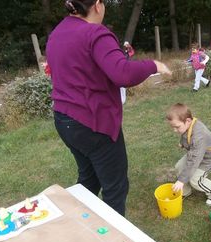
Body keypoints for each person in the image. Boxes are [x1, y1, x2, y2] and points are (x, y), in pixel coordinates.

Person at [46, 0, 171, 217]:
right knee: (115, 188)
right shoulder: (96, 34)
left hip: (64, 120)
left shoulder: (57, 33)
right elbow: (122, 73)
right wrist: (153, 65)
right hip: (94, 123)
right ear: (97, 4)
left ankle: (79, 226)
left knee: (89, 178)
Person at [166, 103, 211, 206]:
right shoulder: (188, 124)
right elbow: (186, 134)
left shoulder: (198, 137)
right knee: (179, 167)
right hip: (197, 152)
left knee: (195, 179)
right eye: (173, 127)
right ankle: (185, 191)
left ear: (187, 121)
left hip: (209, 158)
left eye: (177, 127)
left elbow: (193, 161)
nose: (175, 130)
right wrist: (183, 144)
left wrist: (181, 180)